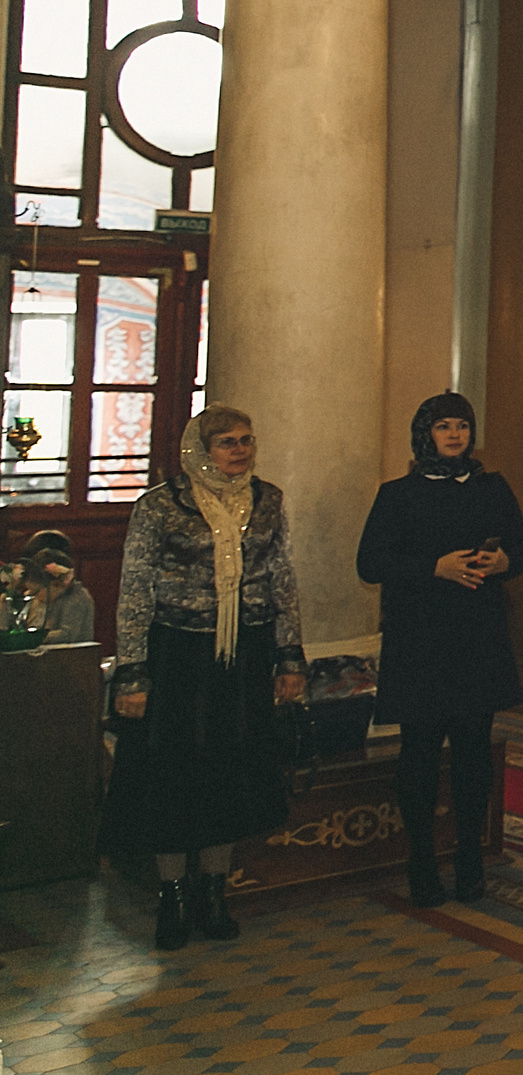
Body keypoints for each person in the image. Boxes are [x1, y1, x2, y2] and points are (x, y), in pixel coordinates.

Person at [101, 406, 304, 951]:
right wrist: (132, 673)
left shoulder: (268, 501)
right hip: (177, 657)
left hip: (243, 656)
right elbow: (135, 589)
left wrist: (289, 659)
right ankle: (172, 896)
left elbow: (281, 578)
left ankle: (213, 892)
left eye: (247, 440)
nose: (239, 451)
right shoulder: (161, 505)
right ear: (199, 449)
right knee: (175, 775)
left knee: (229, 772)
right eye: (227, 443)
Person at [357, 392, 523, 908]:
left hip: (476, 634)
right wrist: (433, 567)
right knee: (418, 754)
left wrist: (502, 563)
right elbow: (370, 563)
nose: (455, 435)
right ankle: (420, 861)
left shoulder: (491, 487)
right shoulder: (398, 494)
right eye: (443, 427)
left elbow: (522, 550)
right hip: (420, 637)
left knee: (473, 752)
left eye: (462, 425)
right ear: (425, 435)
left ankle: (469, 859)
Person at [10, 530, 96, 644]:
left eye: (37, 591)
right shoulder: (39, 598)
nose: (33, 594)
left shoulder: (76, 598)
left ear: (56, 584)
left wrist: (33, 638)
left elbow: (69, 634)